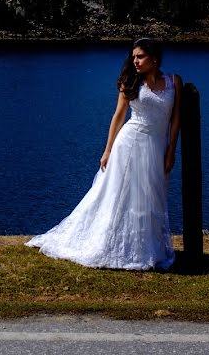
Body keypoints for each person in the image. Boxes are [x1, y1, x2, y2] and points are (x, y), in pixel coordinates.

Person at [26, 38, 181, 270]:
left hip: (156, 147)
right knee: (120, 197)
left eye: (140, 56)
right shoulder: (131, 82)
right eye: (133, 57)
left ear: (154, 58)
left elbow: (175, 119)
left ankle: (146, 248)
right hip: (130, 144)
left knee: (150, 198)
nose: (135, 61)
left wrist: (171, 150)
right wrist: (107, 149)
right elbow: (119, 116)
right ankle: (114, 245)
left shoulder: (173, 81)